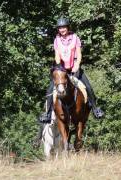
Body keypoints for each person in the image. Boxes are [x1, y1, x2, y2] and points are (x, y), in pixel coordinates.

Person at [35, 17, 104, 145]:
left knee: (88, 87)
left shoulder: (75, 38)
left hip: (75, 68)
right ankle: (48, 114)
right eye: (60, 28)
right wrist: (58, 65)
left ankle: (95, 109)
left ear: (68, 27)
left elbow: (79, 53)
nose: (62, 29)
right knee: (50, 90)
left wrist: (77, 64)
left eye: (64, 27)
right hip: (62, 71)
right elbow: (57, 55)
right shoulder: (56, 40)